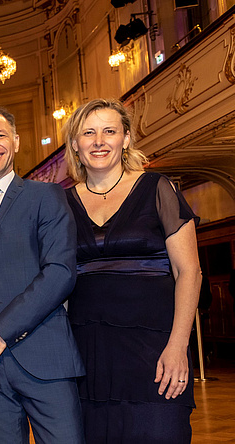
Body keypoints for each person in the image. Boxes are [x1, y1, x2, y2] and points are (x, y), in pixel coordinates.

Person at [62, 98, 201, 442]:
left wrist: (178, 346)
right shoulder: (60, 202)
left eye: (109, 131)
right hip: (88, 350)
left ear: (125, 139)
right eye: (88, 133)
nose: (99, 141)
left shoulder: (157, 188)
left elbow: (190, 272)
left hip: (154, 346)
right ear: (76, 145)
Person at [0, 106, 85, 444]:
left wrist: (0, 333)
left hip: (45, 358)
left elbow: (60, 273)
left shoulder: (46, 197)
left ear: (17, 142)